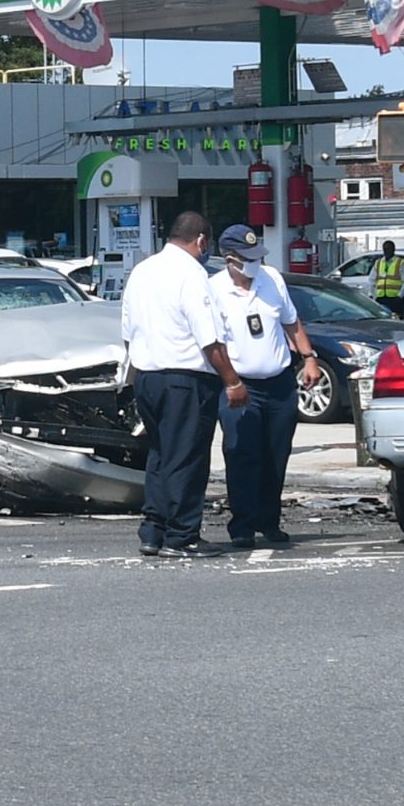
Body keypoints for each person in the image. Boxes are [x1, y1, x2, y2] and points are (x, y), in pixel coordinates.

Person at [119, 211, 243, 556]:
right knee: (187, 458)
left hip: (148, 376)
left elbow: (128, 331)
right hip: (185, 379)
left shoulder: (143, 271)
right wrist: (232, 381)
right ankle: (182, 534)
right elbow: (209, 338)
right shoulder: (191, 274)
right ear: (201, 240)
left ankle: (153, 530)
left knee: (160, 456)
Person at [209, 224, 321, 549]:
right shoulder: (212, 290)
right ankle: (242, 525)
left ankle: (268, 521)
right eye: (247, 259)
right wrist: (230, 382)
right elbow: (211, 342)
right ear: (230, 260)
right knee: (242, 454)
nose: (254, 264)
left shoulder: (272, 279)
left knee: (276, 455)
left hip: (279, 383)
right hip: (240, 385)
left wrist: (309, 357)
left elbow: (291, 321)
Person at [370, 239, 404, 312]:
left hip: (395, 299)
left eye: (389, 249)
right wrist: (372, 295)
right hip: (381, 298)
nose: (386, 251)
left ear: (393, 249)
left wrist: (400, 296)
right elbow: (371, 280)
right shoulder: (378, 263)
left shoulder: (400, 263)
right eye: (385, 249)